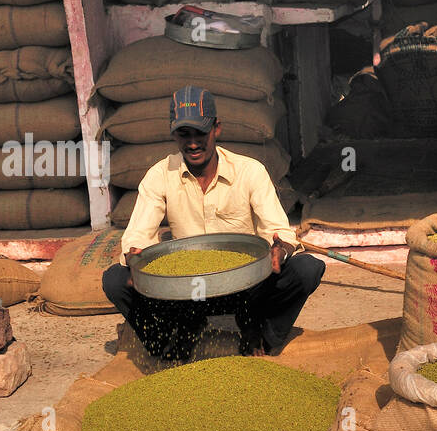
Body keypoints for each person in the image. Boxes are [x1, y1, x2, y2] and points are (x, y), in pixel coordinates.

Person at [102, 86, 324, 360]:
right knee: (115, 279)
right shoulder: (160, 174)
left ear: (217, 129)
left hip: (246, 289)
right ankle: (170, 344)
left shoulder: (249, 171)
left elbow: (279, 230)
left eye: (200, 133)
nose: (193, 143)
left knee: (307, 268)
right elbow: (137, 235)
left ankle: (261, 337)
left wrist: (281, 248)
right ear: (173, 134)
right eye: (184, 134)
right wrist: (135, 256)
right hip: (184, 292)